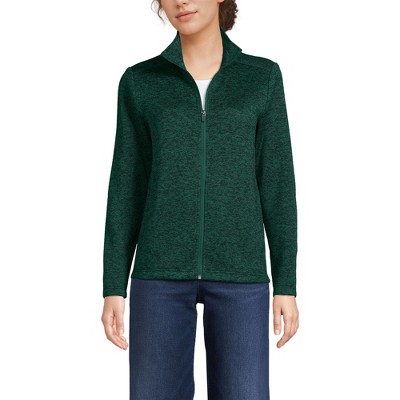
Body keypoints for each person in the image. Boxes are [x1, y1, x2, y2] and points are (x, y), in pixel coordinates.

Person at [101, 0, 300, 399]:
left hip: (241, 274)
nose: (181, 1)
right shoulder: (141, 82)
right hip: (158, 275)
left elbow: (277, 184)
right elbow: (126, 187)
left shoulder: (261, 78)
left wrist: (286, 283)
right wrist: (113, 285)